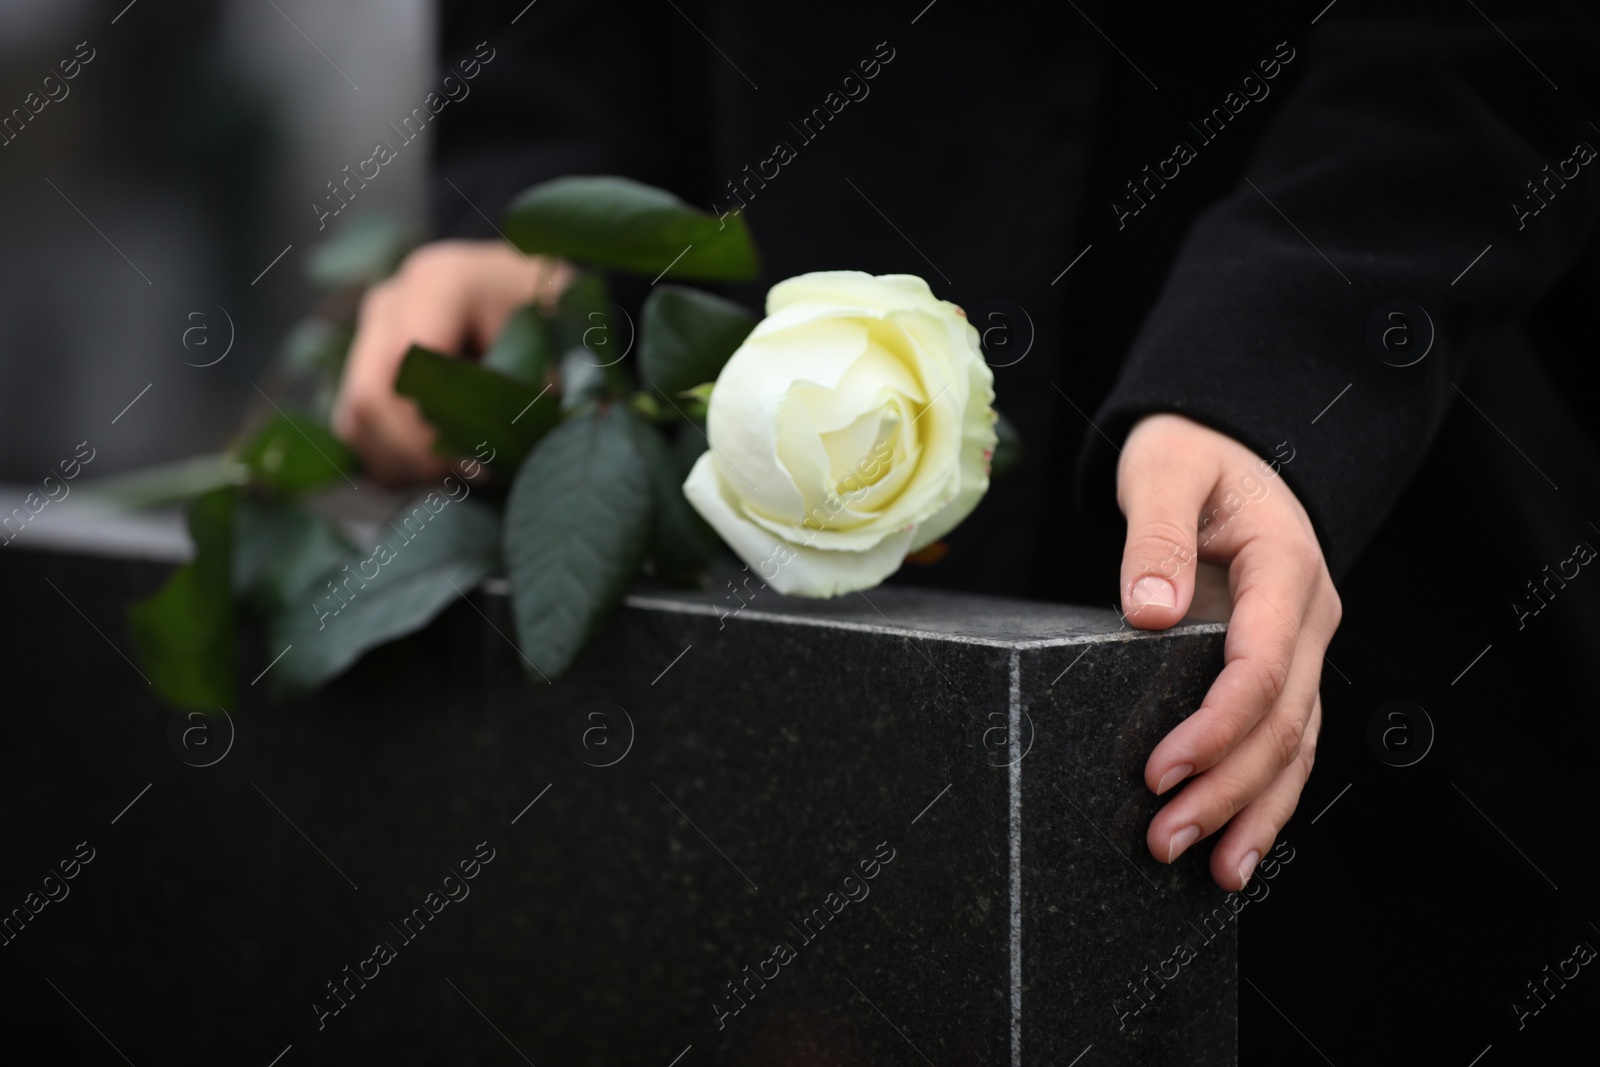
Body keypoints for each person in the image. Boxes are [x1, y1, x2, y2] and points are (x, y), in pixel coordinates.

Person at [334, 7, 1600, 1050]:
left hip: (1366, 531)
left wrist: (1275, 380)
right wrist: (527, 209)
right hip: (727, 503)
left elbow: (1475, 51)